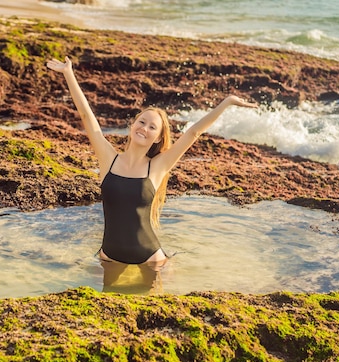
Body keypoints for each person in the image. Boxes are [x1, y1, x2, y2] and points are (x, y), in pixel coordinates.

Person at [46, 56, 258, 293]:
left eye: (152, 127)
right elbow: (87, 117)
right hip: (109, 258)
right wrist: (68, 73)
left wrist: (226, 102)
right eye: (141, 121)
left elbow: (193, 133)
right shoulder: (109, 158)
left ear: (157, 137)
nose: (144, 128)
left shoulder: (157, 167)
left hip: (151, 262)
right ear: (132, 125)